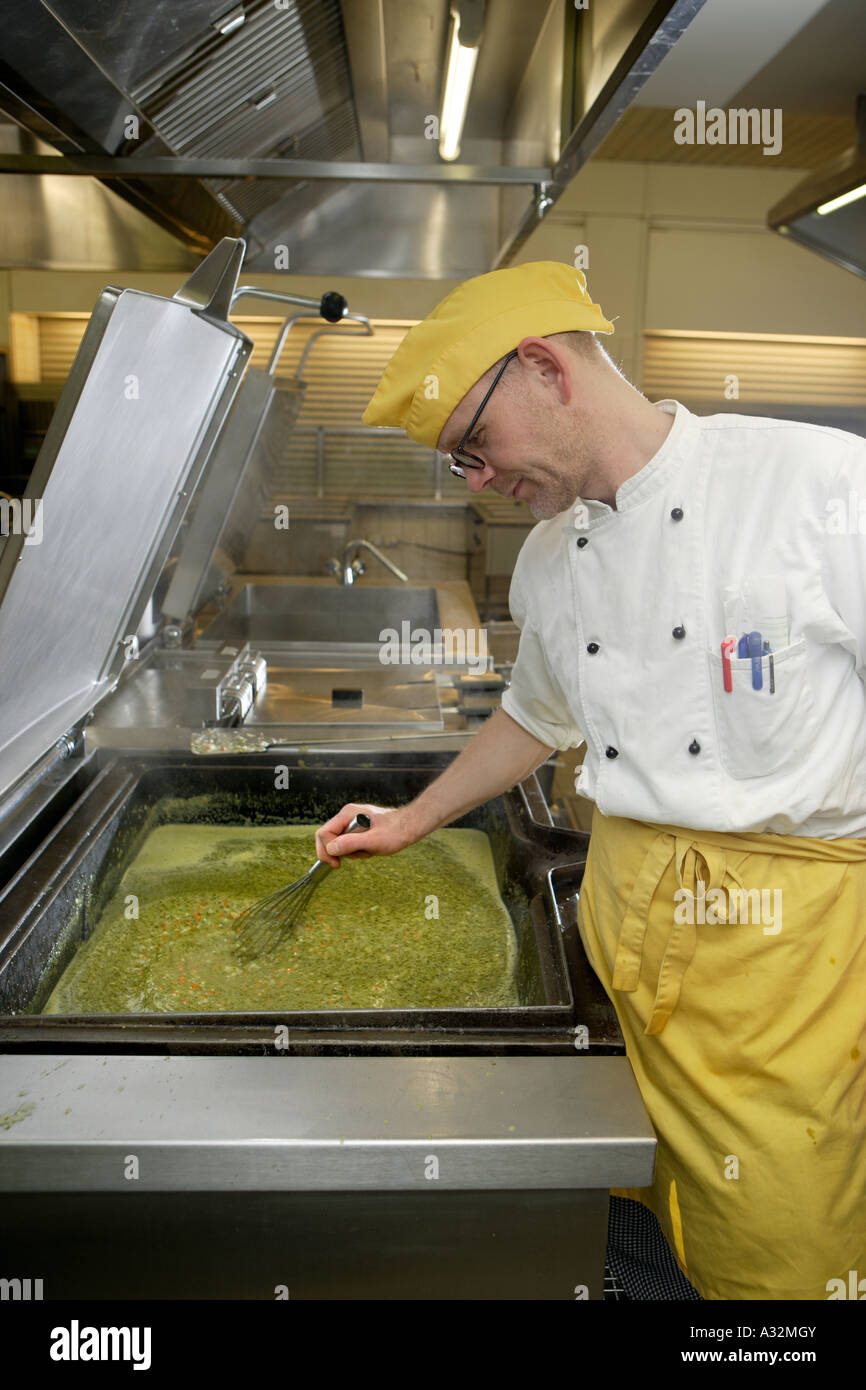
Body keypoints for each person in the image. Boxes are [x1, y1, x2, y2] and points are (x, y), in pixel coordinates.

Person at [314, 260, 866, 1301]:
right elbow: (535, 712)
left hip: (784, 977)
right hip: (627, 955)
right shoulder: (550, 560)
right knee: (639, 1209)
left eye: (473, 448)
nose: (475, 482)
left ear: (541, 368)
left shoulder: (820, 488)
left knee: (785, 1248)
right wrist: (413, 820)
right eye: (456, 467)